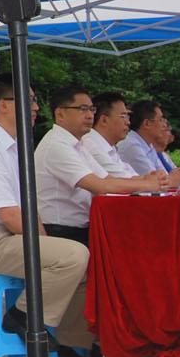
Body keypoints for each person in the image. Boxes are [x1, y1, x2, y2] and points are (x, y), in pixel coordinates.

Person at [0, 72, 98, 357]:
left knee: (84, 262)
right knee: (74, 256)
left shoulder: (14, 147)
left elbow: (27, 207)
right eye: (29, 100)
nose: (36, 108)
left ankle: (72, 345)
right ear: (3, 105)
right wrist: (46, 243)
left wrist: (44, 238)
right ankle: (21, 316)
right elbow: (9, 214)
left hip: (8, 237)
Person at [35, 86, 163, 248]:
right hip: (61, 233)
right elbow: (101, 186)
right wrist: (147, 184)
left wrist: (148, 180)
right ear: (60, 113)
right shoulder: (56, 145)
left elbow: (108, 179)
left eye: (91, 109)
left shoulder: (78, 144)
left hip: (82, 229)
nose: (89, 115)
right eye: (82, 109)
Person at [82, 92, 172, 188]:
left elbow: (131, 176)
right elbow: (121, 181)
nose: (128, 122)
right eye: (123, 116)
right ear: (104, 120)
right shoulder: (91, 144)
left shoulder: (110, 146)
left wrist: (155, 179)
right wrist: (158, 181)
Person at [117, 100, 180, 185]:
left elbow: (163, 174)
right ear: (147, 123)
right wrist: (174, 178)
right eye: (160, 120)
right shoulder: (131, 145)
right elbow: (157, 182)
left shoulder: (148, 145)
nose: (164, 125)